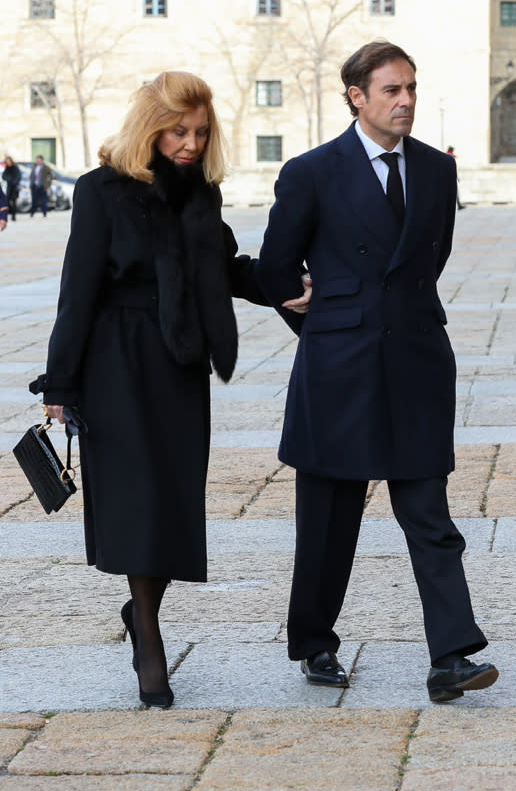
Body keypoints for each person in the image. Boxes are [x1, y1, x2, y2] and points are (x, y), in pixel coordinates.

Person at [30, 71, 311, 709]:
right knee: (136, 498)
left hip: (180, 363)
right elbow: (78, 289)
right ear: (150, 127)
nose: (189, 143)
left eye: (200, 132)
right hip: (115, 363)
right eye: (179, 131)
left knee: (172, 500)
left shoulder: (198, 193)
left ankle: (141, 613)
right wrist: (60, 380)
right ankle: (150, 642)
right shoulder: (100, 191)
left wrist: (288, 285)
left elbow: (226, 271)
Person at [257, 40, 498, 703]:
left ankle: (451, 656)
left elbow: (429, 263)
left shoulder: (435, 170)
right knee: (329, 521)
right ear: (356, 97)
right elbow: (277, 270)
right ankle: (314, 643)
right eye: (391, 90)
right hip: (338, 370)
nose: (405, 101)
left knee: (428, 513)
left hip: (416, 362)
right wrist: (328, 321)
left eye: (411, 88)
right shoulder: (311, 172)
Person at [2, 156, 22, 221]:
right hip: (9, 187)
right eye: (7, 161)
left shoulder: (15, 168)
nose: (8, 162)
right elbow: (4, 176)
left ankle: (14, 216)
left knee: (14, 202)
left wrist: (14, 181)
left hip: (14, 187)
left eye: (9, 161)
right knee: (7, 202)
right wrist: (8, 179)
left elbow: (19, 176)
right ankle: (6, 217)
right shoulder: (7, 169)